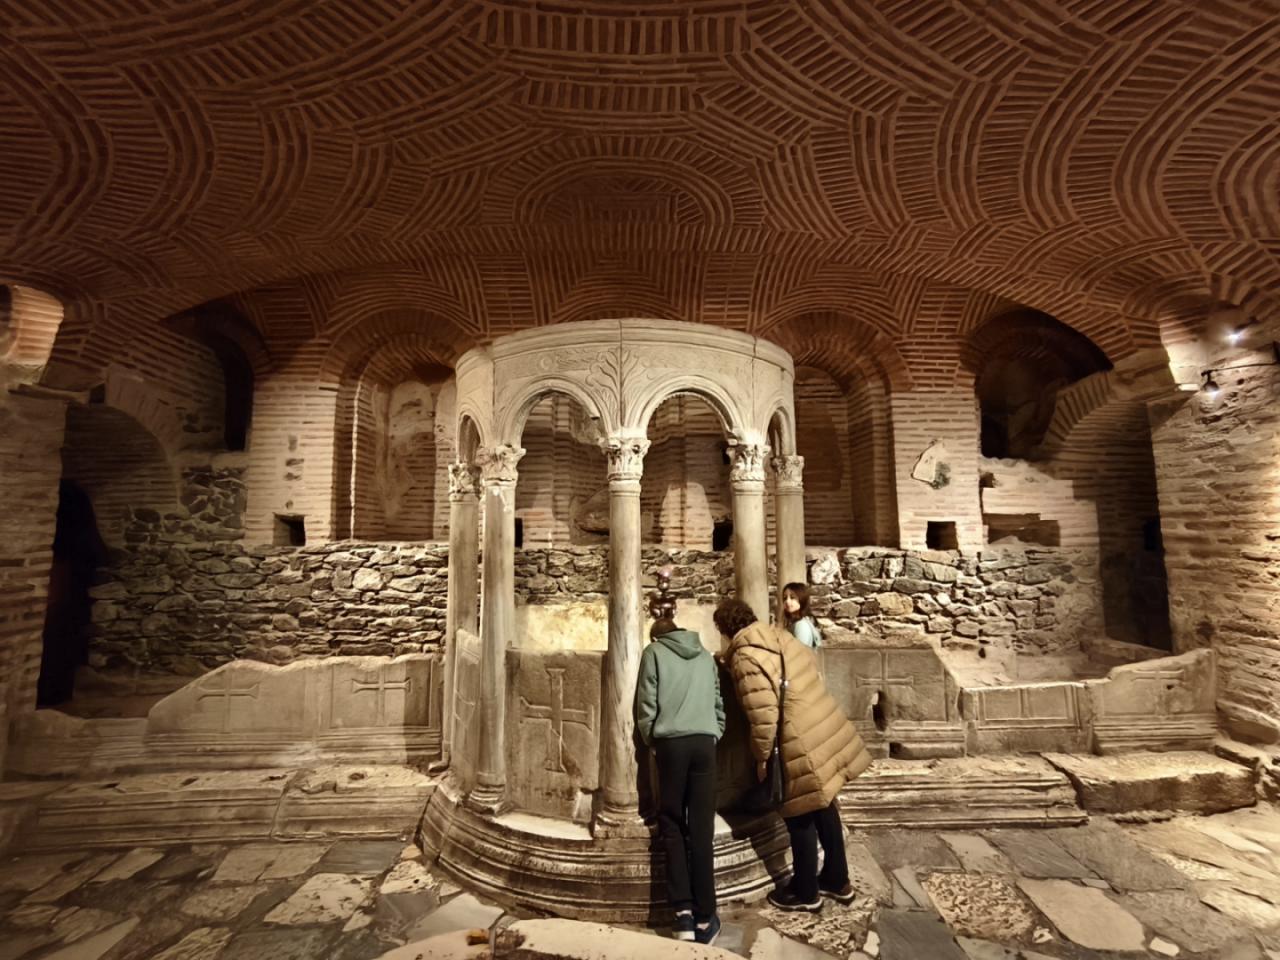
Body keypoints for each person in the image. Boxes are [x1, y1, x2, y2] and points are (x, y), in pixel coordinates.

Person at [714, 597, 871, 912]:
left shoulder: (746, 656)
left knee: (798, 813)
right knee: (825, 803)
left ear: (725, 630)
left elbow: (763, 715)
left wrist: (761, 757)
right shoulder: (779, 636)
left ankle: (805, 892)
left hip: (796, 738)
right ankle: (837, 879)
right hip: (822, 724)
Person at [635, 616, 726, 944]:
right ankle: (706, 917)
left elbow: (646, 701)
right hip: (704, 742)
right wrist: (715, 731)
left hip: (671, 744)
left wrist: (651, 738)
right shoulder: (704, 654)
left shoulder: (653, 653)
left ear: (656, 636)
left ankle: (683, 916)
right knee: (701, 828)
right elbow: (717, 699)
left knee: (672, 824)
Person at [781, 581, 822, 649]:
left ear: (802, 599)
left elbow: (799, 653)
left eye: (792, 597)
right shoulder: (794, 623)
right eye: (785, 598)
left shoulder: (801, 625)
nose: (787, 601)